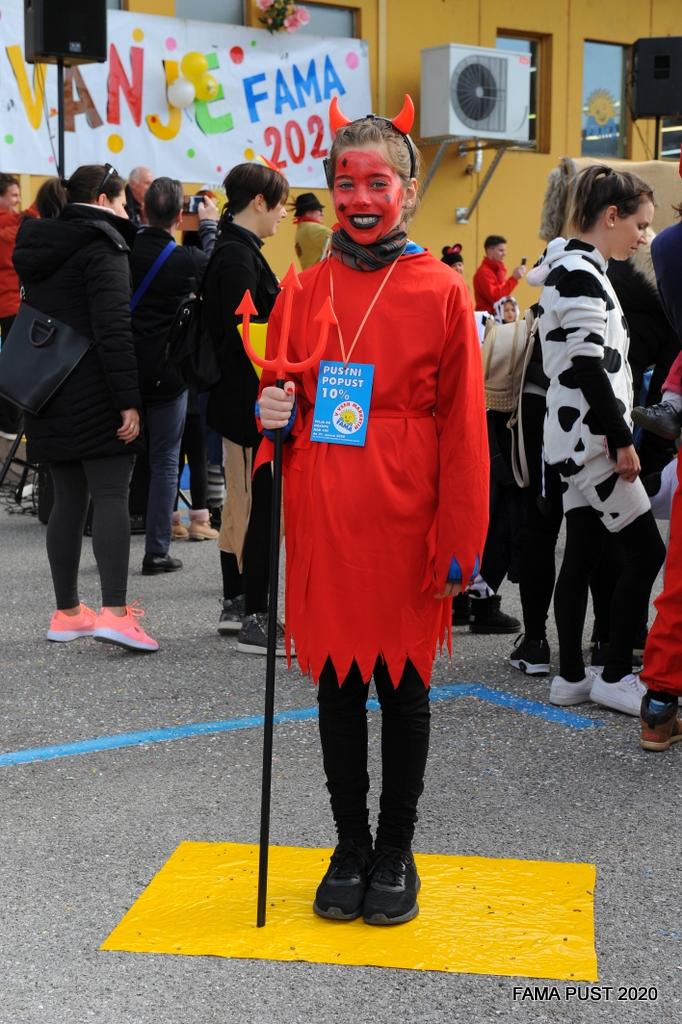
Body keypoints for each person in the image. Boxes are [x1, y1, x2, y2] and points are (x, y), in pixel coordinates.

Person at [258, 97, 489, 925]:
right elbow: (279, 396)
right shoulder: (302, 287)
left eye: (377, 183)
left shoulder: (442, 290)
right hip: (328, 512)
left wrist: (459, 537)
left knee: (402, 686)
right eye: (346, 183)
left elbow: (465, 428)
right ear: (331, 189)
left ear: (409, 191)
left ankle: (395, 849)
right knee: (337, 684)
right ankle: (349, 845)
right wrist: (272, 413)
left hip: (408, 511)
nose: (360, 199)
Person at [535, 165, 665, 714]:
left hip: (574, 438)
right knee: (647, 551)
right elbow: (588, 365)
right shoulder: (581, 273)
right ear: (611, 216)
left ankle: (572, 676)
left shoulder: (575, 267)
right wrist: (621, 439)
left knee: (584, 553)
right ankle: (614, 674)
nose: (644, 237)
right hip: (592, 440)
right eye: (640, 224)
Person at [12, 164, 157, 652]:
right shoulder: (103, 247)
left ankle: (68, 612)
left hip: (46, 388)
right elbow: (114, 329)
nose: (127, 213)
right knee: (112, 494)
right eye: (123, 203)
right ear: (101, 200)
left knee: (68, 500)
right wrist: (128, 401)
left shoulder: (40, 244)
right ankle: (115, 613)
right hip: (95, 388)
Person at [203, 162, 288, 650]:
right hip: (249, 404)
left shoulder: (234, 249)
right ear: (259, 202)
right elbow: (250, 338)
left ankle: (238, 604)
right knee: (257, 507)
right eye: (279, 204)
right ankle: (254, 612)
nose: (282, 215)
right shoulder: (238, 257)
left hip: (238, 402)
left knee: (241, 503)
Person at [131, 177, 217, 574]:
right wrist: (209, 226)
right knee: (167, 460)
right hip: (169, 373)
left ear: (143, 209)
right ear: (180, 217)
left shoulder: (125, 250)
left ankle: (113, 544)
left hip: (126, 369)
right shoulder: (187, 260)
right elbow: (218, 272)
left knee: (123, 462)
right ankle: (156, 551)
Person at [0, 173, 32, 436]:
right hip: (10, 306)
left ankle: (9, 425)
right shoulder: (13, 224)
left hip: (11, 305)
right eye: (13, 195)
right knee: (13, 366)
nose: (18, 200)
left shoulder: (15, 223)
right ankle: (10, 426)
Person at [473, 234, 526, 314]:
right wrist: (514, 279)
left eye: (505, 250)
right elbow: (496, 298)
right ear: (490, 251)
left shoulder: (499, 269)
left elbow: (502, 294)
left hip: (497, 317)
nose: (505, 253)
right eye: (501, 250)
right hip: (487, 319)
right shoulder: (483, 273)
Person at [292, 192, 331, 269]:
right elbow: (345, 243)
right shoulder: (315, 229)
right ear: (309, 212)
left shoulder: (301, 229)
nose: (322, 214)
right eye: (320, 210)